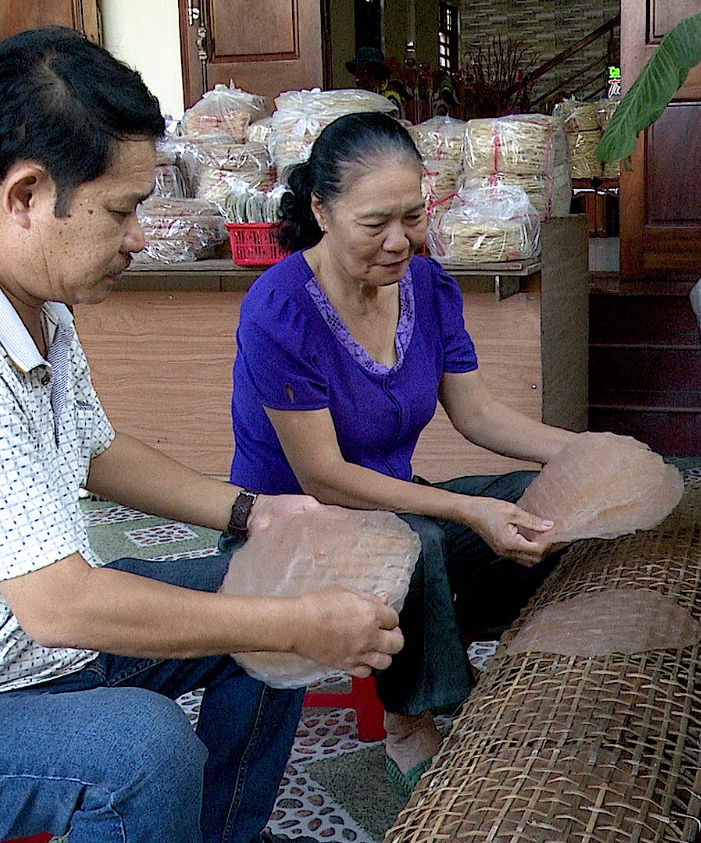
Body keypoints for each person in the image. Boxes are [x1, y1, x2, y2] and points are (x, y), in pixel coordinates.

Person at [0, 28, 402, 843]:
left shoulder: (32, 302)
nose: (139, 237)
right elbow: (61, 606)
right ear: (24, 195)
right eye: (122, 210)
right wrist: (295, 627)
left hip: (18, 655)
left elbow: (90, 450)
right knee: (142, 751)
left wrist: (255, 515)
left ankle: (222, 833)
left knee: (266, 584)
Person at [228, 111, 580, 795]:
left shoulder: (429, 286)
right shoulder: (280, 311)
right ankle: (411, 720)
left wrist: (585, 451)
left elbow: (476, 413)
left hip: (391, 509)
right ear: (321, 211)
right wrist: (466, 508)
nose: (399, 242)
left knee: (544, 500)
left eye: (413, 217)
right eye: (375, 223)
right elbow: (324, 476)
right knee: (420, 536)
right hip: (289, 529)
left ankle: (466, 661)